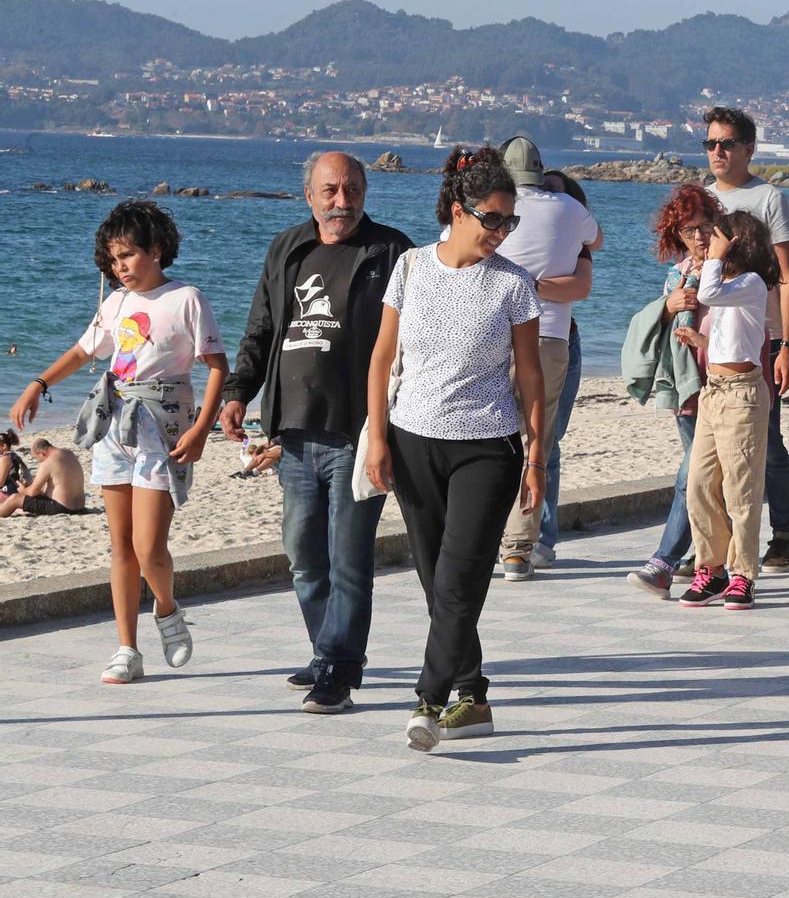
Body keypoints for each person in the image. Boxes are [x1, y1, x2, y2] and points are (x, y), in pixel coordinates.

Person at [363, 147, 546, 752]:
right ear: (458, 212)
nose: (501, 231)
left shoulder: (514, 285)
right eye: (492, 219)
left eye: (509, 221)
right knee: (433, 580)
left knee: (459, 581)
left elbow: (531, 378)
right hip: (413, 441)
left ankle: (429, 701)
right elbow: (383, 357)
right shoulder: (411, 267)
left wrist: (538, 457)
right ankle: (474, 693)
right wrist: (378, 436)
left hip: (486, 448)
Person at [218, 150, 412, 713]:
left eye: (351, 189)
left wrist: (393, 426)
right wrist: (237, 392)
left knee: (348, 556)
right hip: (293, 433)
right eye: (330, 191)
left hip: (360, 430)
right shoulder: (287, 248)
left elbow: (412, 341)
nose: (342, 201)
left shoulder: (393, 252)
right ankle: (326, 649)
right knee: (304, 553)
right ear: (310, 195)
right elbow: (261, 329)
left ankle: (340, 669)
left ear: (365, 192)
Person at [10, 199, 229, 684]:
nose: (119, 267)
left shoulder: (187, 298)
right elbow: (82, 351)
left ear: (155, 249)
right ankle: (127, 648)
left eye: (127, 255)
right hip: (115, 429)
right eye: (112, 260)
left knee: (149, 547)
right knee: (120, 547)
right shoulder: (116, 303)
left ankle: (168, 610)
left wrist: (201, 429)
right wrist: (38, 384)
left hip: (163, 430)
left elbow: (217, 367)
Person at [492, 137, 601, 581]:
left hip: (489, 335)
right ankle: (518, 549)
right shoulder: (569, 210)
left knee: (484, 435)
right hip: (550, 337)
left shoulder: (489, 208)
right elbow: (597, 242)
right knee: (536, 439)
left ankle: (501, 540)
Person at [703, 107, 789, 575]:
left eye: (726, 143)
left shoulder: (768, 198)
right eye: (710, 144)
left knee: (769, 442)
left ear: (748, 149)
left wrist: (787, 345)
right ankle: (712, 550)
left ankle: (783, 530)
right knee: (706, 455)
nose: (717, 152)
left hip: (759, 340)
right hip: (710, 340)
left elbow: (787, 275)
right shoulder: (703, 199)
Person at [680, 211, 785, 611]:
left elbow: (707, 296)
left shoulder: (752, 282)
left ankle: (743, 573)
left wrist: (714, 258)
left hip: (742, 395)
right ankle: (713, 568)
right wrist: (699, 338)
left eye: (719, 236)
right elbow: (730, 337)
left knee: (740, 489)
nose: (709, 241)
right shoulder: (730, 285)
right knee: (700, 484)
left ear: (739, 243)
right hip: (715, 392)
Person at [627, 185, 720, 596]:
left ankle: (665, 561)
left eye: (704, 227)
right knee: (700, 475)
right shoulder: (677, 272)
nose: (698, 237)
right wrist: (667, 307)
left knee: (693, 475)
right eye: (688, 230)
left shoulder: (733, 267)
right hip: (686, 386)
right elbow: (664, 328)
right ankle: (709, 559)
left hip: (722, 383)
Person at [535, 168, 596, 569]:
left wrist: (523, 281)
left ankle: (543, 536)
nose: (552, 198)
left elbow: (579, 288)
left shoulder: (577, 246)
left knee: (550, 441)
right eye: (546, 191)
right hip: (527, 341)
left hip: (562, 343)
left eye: (560, 193)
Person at [0, 439, 85, 517]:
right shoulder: (68, 453)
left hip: (61, 507)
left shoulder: (48, 463)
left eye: (37, 458)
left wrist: (23, 490)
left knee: (14, 498)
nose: (38, 461)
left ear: (42, 454)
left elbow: (32, 492)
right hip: (80, 506)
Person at [0, 429, 25, 496]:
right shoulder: (14, 455)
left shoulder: (5, 458)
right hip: (17, 488)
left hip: (9, 492)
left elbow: (0, 482)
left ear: (4, 446)